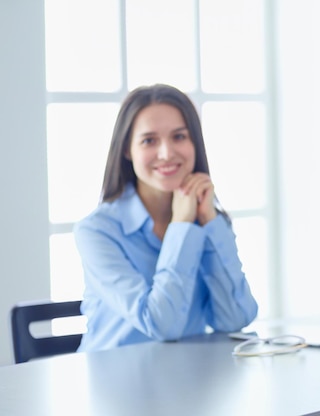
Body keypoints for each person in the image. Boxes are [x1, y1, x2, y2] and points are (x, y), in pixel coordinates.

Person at [74, 84, 258, 352]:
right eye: (149, 140)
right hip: (112, 384)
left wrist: (208, 222)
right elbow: (161, 324)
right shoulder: (96, 231)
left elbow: (235, 318)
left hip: (187, 379)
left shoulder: (207, 218)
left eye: (179, 137)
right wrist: (182, 226)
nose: (167, 153)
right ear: (127, 150)